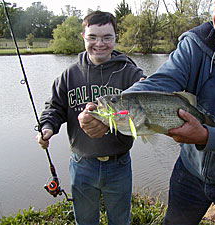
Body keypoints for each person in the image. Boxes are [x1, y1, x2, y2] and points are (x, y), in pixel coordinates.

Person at [78, 0, 215, 224]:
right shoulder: (195, 45)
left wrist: (206, 136)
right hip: (190, 171)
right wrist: (116, 107)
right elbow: (161, 81)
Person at [37, 11, 145, 225]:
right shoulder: (70, 74)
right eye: (92, 37)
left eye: (107, 37)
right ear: (83, 37)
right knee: (85, 221)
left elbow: (148, 90)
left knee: (119, 220)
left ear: (116, 37)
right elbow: (55, 107)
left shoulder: (129, 72)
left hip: (119, 164)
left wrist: (147, 84)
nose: (100, 44)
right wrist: (47, 127)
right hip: (81, 164)